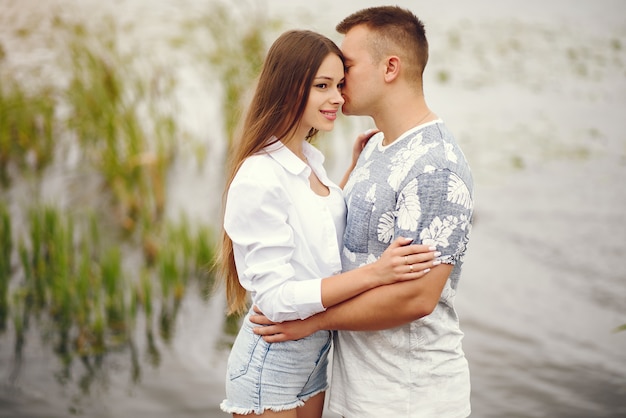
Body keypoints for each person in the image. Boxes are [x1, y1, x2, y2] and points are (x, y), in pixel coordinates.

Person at [251, 6, 474, 418]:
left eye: (348, 67)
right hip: (353, 392)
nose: (338, 80)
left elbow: (417, 298)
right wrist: (350, 176)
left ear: (390, 67)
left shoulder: (436, 166)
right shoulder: (376, 146)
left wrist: (312, 322)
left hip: (408, 398)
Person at [217, 29, 440, 418]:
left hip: (315, 358)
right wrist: (376, 274)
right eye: (322, 86)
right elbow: (275, 300)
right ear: (289, 87)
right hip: (273, 361)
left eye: (339, 84)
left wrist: (355, 170)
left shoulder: (308, 161)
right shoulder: (260, 175)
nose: (338, 97)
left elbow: (313, 228)